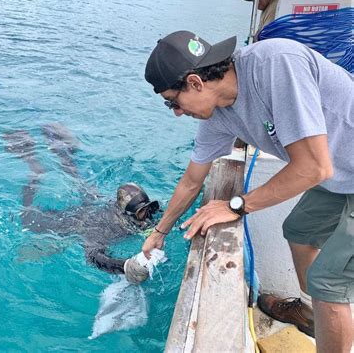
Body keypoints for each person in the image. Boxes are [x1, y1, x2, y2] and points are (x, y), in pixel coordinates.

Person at [142, 31, 353, 352]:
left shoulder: (277, 65)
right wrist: (160, 231)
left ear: (196, 82)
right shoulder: (218, 115)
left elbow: (313, 168)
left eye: (174, 101)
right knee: (298, 231)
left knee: (329, 281)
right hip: (341, 175)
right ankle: (315, 311)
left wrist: (237, 205)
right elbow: (191, 179)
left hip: (337, 171)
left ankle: (330, 305)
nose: (176, 112)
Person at [4, 124, 160, 284]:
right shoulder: (104, 230)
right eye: (142, 212)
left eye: (149, 209)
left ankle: (64, 154)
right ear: (127, 214)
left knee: (83, 185)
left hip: (97, 205)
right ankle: (35, 170)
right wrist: (125, 266)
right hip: (78, 222)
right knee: (27, 218)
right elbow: (94, 257)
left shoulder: (139, 217)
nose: (148, 217)